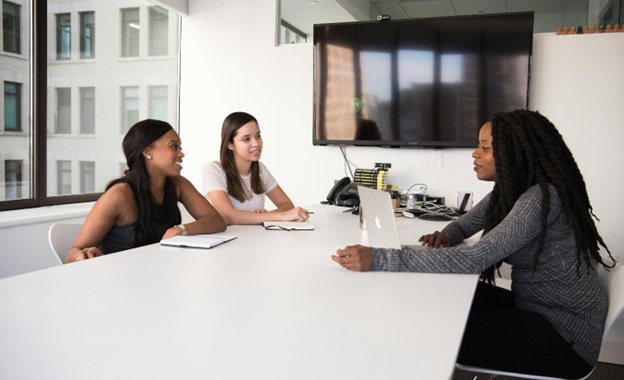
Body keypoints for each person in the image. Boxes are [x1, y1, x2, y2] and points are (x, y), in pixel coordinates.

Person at [332, 110, 614, 379]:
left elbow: (474, 259)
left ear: (514, 153)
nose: (475, 153)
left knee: (432, 326)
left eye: (485, 147)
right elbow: (467, 223)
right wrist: (447, 234)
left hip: (564, 338)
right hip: (535, 308)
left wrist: (380, 259)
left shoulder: (541, 197)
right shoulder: (511, 191)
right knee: (441, 295)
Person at [66, 119, 226, 263]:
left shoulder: (178, 185)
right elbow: (72, 254)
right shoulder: (120, 195)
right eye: (173, 146)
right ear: (147, 151)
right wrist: (84, 256)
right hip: (120, 282)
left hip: (156, 275)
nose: (181, 153)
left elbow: (216, 221)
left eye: (180, 147)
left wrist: (180, 230)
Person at [202, 112, 309, 225]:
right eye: (246, 139)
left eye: (258, 136)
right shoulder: (213, 169)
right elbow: (228, 216)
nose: (256, 143)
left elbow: (286, 204)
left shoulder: (260, 169)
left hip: (256, 238)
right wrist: (272, 216)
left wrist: (265, 216)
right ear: (230, 144)